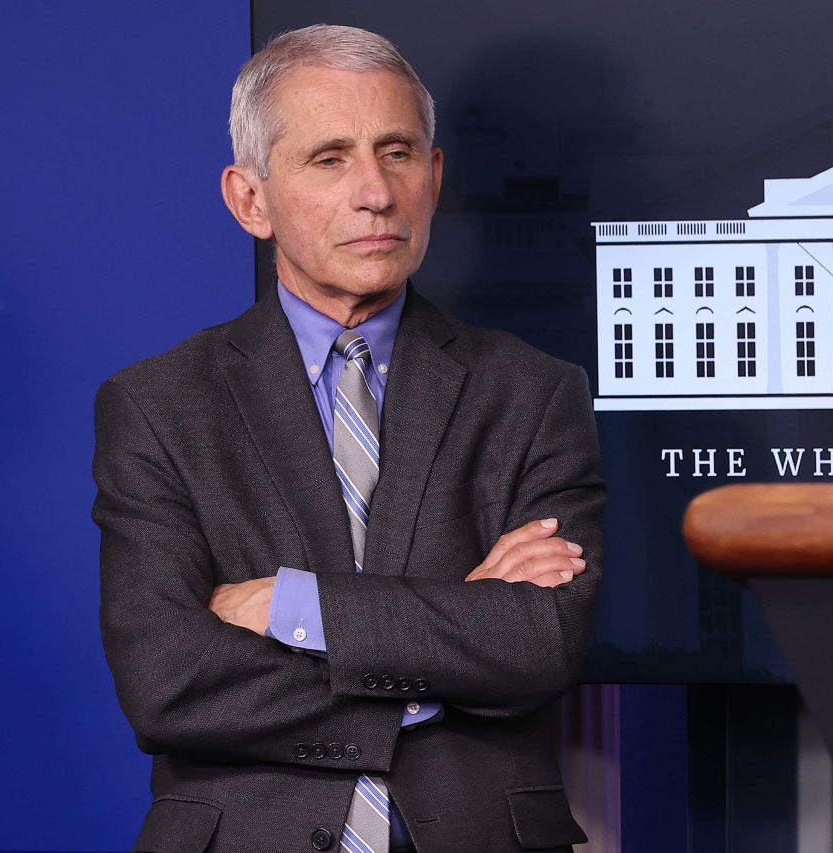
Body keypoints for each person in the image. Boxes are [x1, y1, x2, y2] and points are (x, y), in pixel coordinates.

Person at [92, 24, 603, 853]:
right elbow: (168, 680)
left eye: (397, 152)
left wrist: (293, 606)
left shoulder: (536, 392)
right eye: (329, 158)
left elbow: (538, 643)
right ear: (249, 199)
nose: (375, 191)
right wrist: (448, 652)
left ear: (433, 179)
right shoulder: (157, 405)